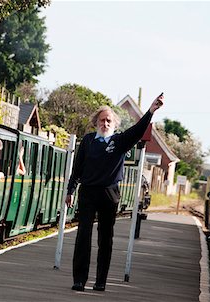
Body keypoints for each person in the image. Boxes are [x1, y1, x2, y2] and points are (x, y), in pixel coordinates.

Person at [66, 93, 164, 292]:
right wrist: (70, 190)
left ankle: (100, 280)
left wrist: (151, 111)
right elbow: (78, 167)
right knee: (83, 235)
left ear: (114, 124)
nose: (105, 123)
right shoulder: (88, 141)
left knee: (105, 237)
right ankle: (79, 280)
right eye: (102, 120)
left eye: (109, 120)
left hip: (109, 194)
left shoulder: (119, 141)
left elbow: (137, 131)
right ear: (96, 122)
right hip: (87, 192)